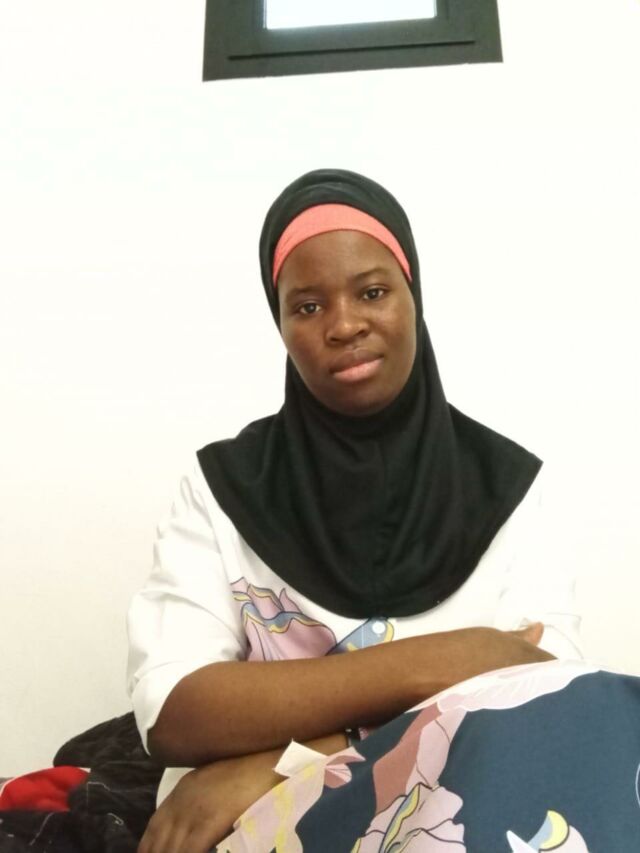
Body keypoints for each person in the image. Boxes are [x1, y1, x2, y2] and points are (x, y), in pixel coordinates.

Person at [127, 169, 581, 853]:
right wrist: (456, 657)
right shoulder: (224, 487)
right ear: (280, 325)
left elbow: (548, 701)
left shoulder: (509, 486)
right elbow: (173, 710)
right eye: (307, 306)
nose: (343, 325)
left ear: (412, 296)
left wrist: (288, 758)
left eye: (371, 292)